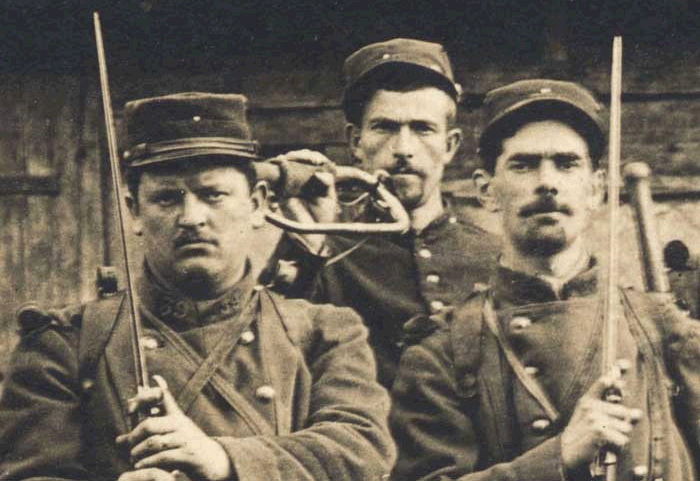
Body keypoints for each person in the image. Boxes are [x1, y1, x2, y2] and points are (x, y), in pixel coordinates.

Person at [0, 92, 395, 481]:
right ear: (134, 211)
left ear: (257, 204)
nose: (191, 217)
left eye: (213, 195)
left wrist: (222, 458)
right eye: (167, 198)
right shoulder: (66, 344)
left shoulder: (324, 333)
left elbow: (360, 449)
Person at [390, 79, 700, 481]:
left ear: (596, 188)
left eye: (567, 163)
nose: (547, 182)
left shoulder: (665, 330)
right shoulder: (444, 352)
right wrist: (558, 457)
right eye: (523, 165)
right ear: (486, 190)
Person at [266, 38, 501, 388]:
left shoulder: (496, 257)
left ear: (450, 145)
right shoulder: (324, 256)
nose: (403, 148)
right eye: (385, 127)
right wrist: (310, 248)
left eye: (422, 129)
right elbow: (276, 355)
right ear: (356, 142)